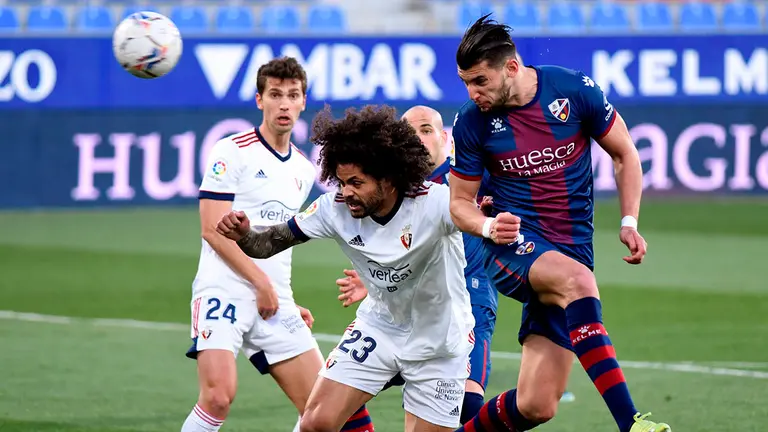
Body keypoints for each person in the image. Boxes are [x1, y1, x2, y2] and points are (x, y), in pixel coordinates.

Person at [448, 15, 671, 432]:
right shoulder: (472, 122)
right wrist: (487, 228)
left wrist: (629, 220)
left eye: (480, 81)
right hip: (511, 246)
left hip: (570, 249)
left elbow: (625, 153)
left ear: (511, 67)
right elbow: (459, 204)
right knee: (579, 283)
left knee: (537, 404)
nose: (472, 93)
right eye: (465, 82)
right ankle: (632, 423)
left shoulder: (572, 90)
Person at [215, 105, 477, 432]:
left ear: (387, 180)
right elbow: (265, 244)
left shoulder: (435, 202)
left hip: (441, 342)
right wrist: (244, 235)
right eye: (341, 182)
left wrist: (491, 224)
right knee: (316, 423)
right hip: (379, 328)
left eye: (356, 182)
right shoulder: (334, 208)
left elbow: (476, 219)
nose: (346, 192)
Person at [335, 105, 575, 426]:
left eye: (426, 130)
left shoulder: (471, 176)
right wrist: (372, 280)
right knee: (336, 391)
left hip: (470, 300)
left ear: (445, 139)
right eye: (409, 132)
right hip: (406, 310)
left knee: (467, 404)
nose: (417, 138)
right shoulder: (393, 189)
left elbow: (522, 202)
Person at [182, 57, 373, 432]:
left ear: (303, 102)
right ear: (260, 100)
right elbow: (211, 229)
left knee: (323, 412)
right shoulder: (232, 151)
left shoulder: (303, 168)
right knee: (218, 397)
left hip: (274, 300)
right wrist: (261, 283)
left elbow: (280, 241)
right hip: (224, 290)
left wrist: (281, 295)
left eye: (292, 95)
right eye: (275, 94)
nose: (284, 103)